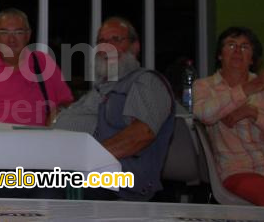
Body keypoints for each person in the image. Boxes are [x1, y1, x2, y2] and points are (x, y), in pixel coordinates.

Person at [53, 17, 174, 201]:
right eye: (102, 41)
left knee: (38, 192)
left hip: (117, 181)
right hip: (74, 172)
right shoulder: (101, 88)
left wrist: (84, 159)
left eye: (116, 40)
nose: (107, 47)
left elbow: (142, 134)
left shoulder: (145, 81)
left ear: (135, 47)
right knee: (3, 181)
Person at [193, 26, 264, 206]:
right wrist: (245, 90)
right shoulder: (205, 86)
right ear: (220, 55)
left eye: (244, 47)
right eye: (231, 45)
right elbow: (204, 114)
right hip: (236, 170)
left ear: (252, 58)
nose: (237, 51)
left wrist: (253, 112)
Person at [0, 8, 73, 126]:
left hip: (37, 140)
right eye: (4, 32)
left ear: (28, 35)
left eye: (18, 33)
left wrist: (57, 115)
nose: (11, 40)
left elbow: (66, 103)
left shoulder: (43, 63)